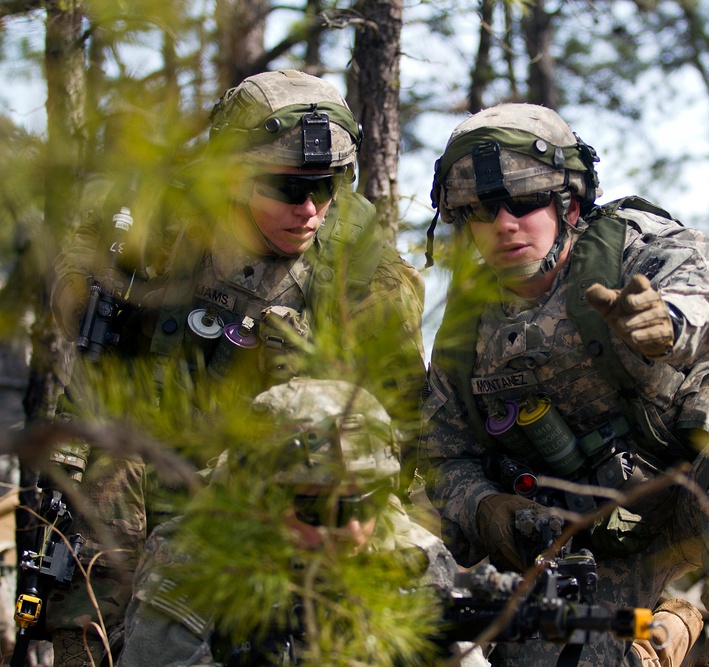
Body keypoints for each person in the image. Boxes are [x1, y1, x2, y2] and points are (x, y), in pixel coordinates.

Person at [419, 103, 709, 667]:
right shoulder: (468, 327)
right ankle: (669, 628)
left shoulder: (630, 248)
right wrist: (488, 508)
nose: (504, 223)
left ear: (569, 201)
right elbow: (444, 456)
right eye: (479, 210)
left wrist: (671, 322)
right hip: (582, 546)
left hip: (691, 501)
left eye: (524, 200)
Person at [40, 70, 425, 666]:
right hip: (147, 464)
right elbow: (80, 269)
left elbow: (399, 421)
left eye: (325, 188)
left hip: (282, 492)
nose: (308, 209)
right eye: (285, 187)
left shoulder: (361, 269)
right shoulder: (166, 222)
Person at [116, 378, 488, 667]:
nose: (352, 531)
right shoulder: (196, 555)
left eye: (368, 502)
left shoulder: (412, 555)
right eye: (321, 508)